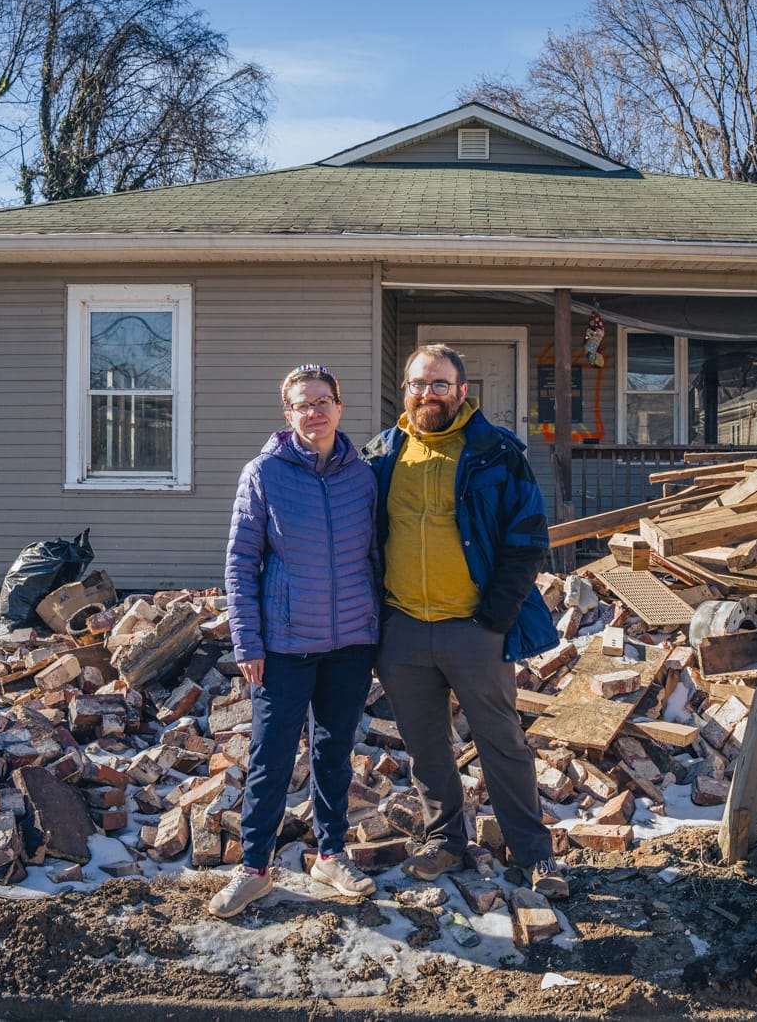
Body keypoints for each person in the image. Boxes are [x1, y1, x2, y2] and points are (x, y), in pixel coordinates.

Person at [362, 344, 569, 899]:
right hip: (402, 628)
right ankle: (445, 841)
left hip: (473, 628)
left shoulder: (496, 453)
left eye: (439, 385)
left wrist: (496, 617)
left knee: (502, 741)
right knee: (427, 746)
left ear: (461, 391)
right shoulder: (381, 454)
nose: (427, 394)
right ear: (404, 389)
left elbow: (527, 539)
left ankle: (533, 853)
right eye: (418, 384)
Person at [210, 364, 381, 919]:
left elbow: (375, 558)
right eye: (303, 404)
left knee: (334, 755)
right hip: (283, 646)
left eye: (324, 400)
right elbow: (240, 564)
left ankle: (331, 854)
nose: (316, 411)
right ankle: (255, 868)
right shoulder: (264, 473)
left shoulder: (363, 476)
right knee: (271, 758)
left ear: (340, 406)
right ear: (289, 415)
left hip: (351, 642)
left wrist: (377, 631)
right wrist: (247, 643)